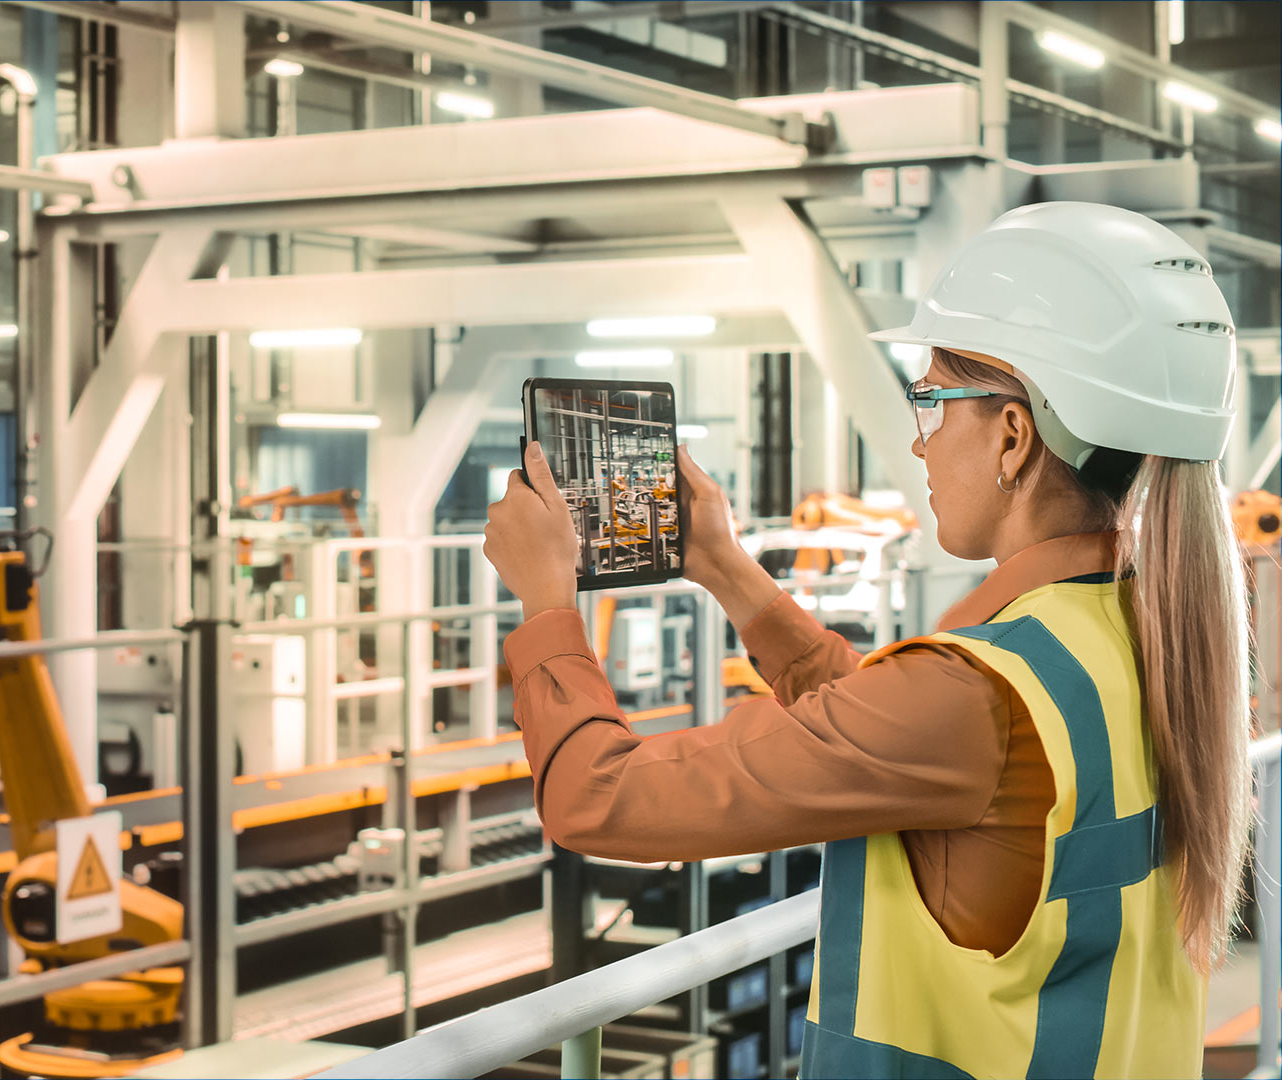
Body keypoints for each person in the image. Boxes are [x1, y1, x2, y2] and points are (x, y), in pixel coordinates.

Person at [483, 202, 1253, 1078]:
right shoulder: (1138, 634)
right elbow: (893, 729)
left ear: (1013, 434)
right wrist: (727, 568)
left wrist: (546, 605)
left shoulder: (975, 696)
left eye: (929, 398)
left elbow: (595, 798)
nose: (919, 442)